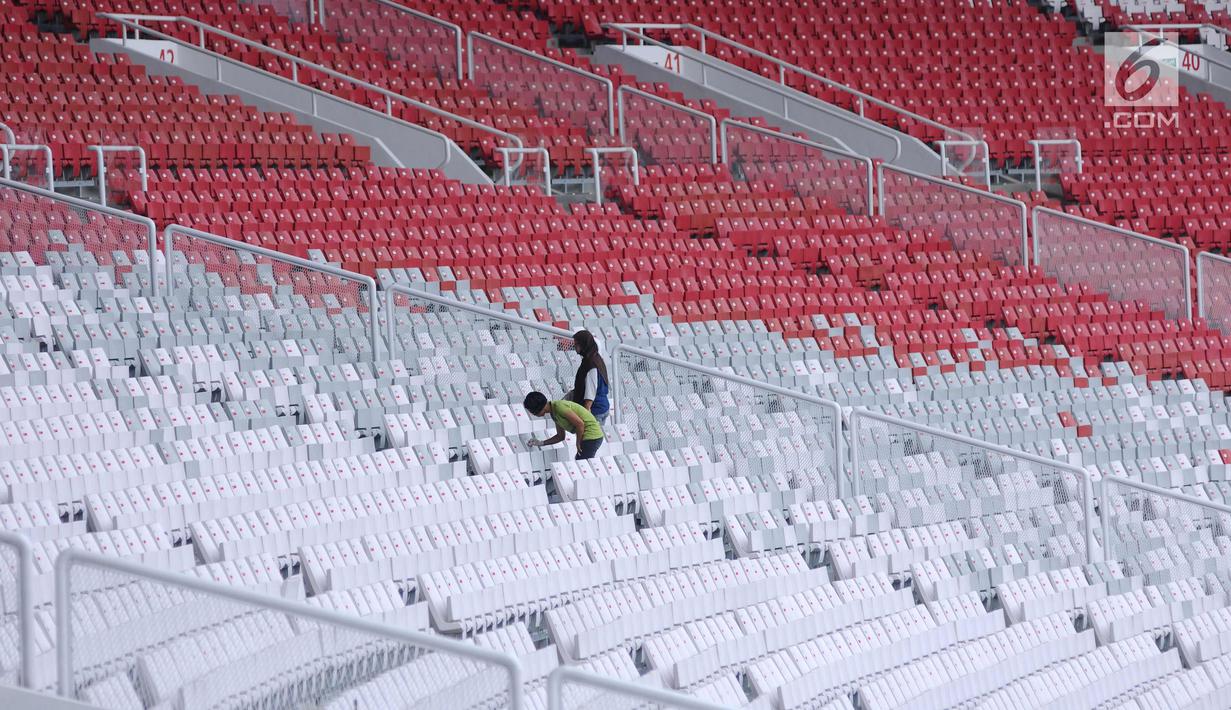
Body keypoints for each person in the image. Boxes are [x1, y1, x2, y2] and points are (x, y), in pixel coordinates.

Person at [524, 390, 604, 460]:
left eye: (532, 411)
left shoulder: (559, 407)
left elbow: (580, 424)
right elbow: (560, 436)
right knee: (581, 462)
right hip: (590, 436)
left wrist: (578, 442)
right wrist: (540, 443)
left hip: (592, 435)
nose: (532, 414)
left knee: (582, 463)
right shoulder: (553, 412)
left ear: (537, 408)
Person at [568, 330, 610, 425]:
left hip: (595, 411)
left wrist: (587, 419)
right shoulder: (596, 358)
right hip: (602, 407)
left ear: (583, 344)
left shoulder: (590, 364)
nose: (574, 346)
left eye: (576, 344)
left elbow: (590, 395)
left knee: (590, 439)